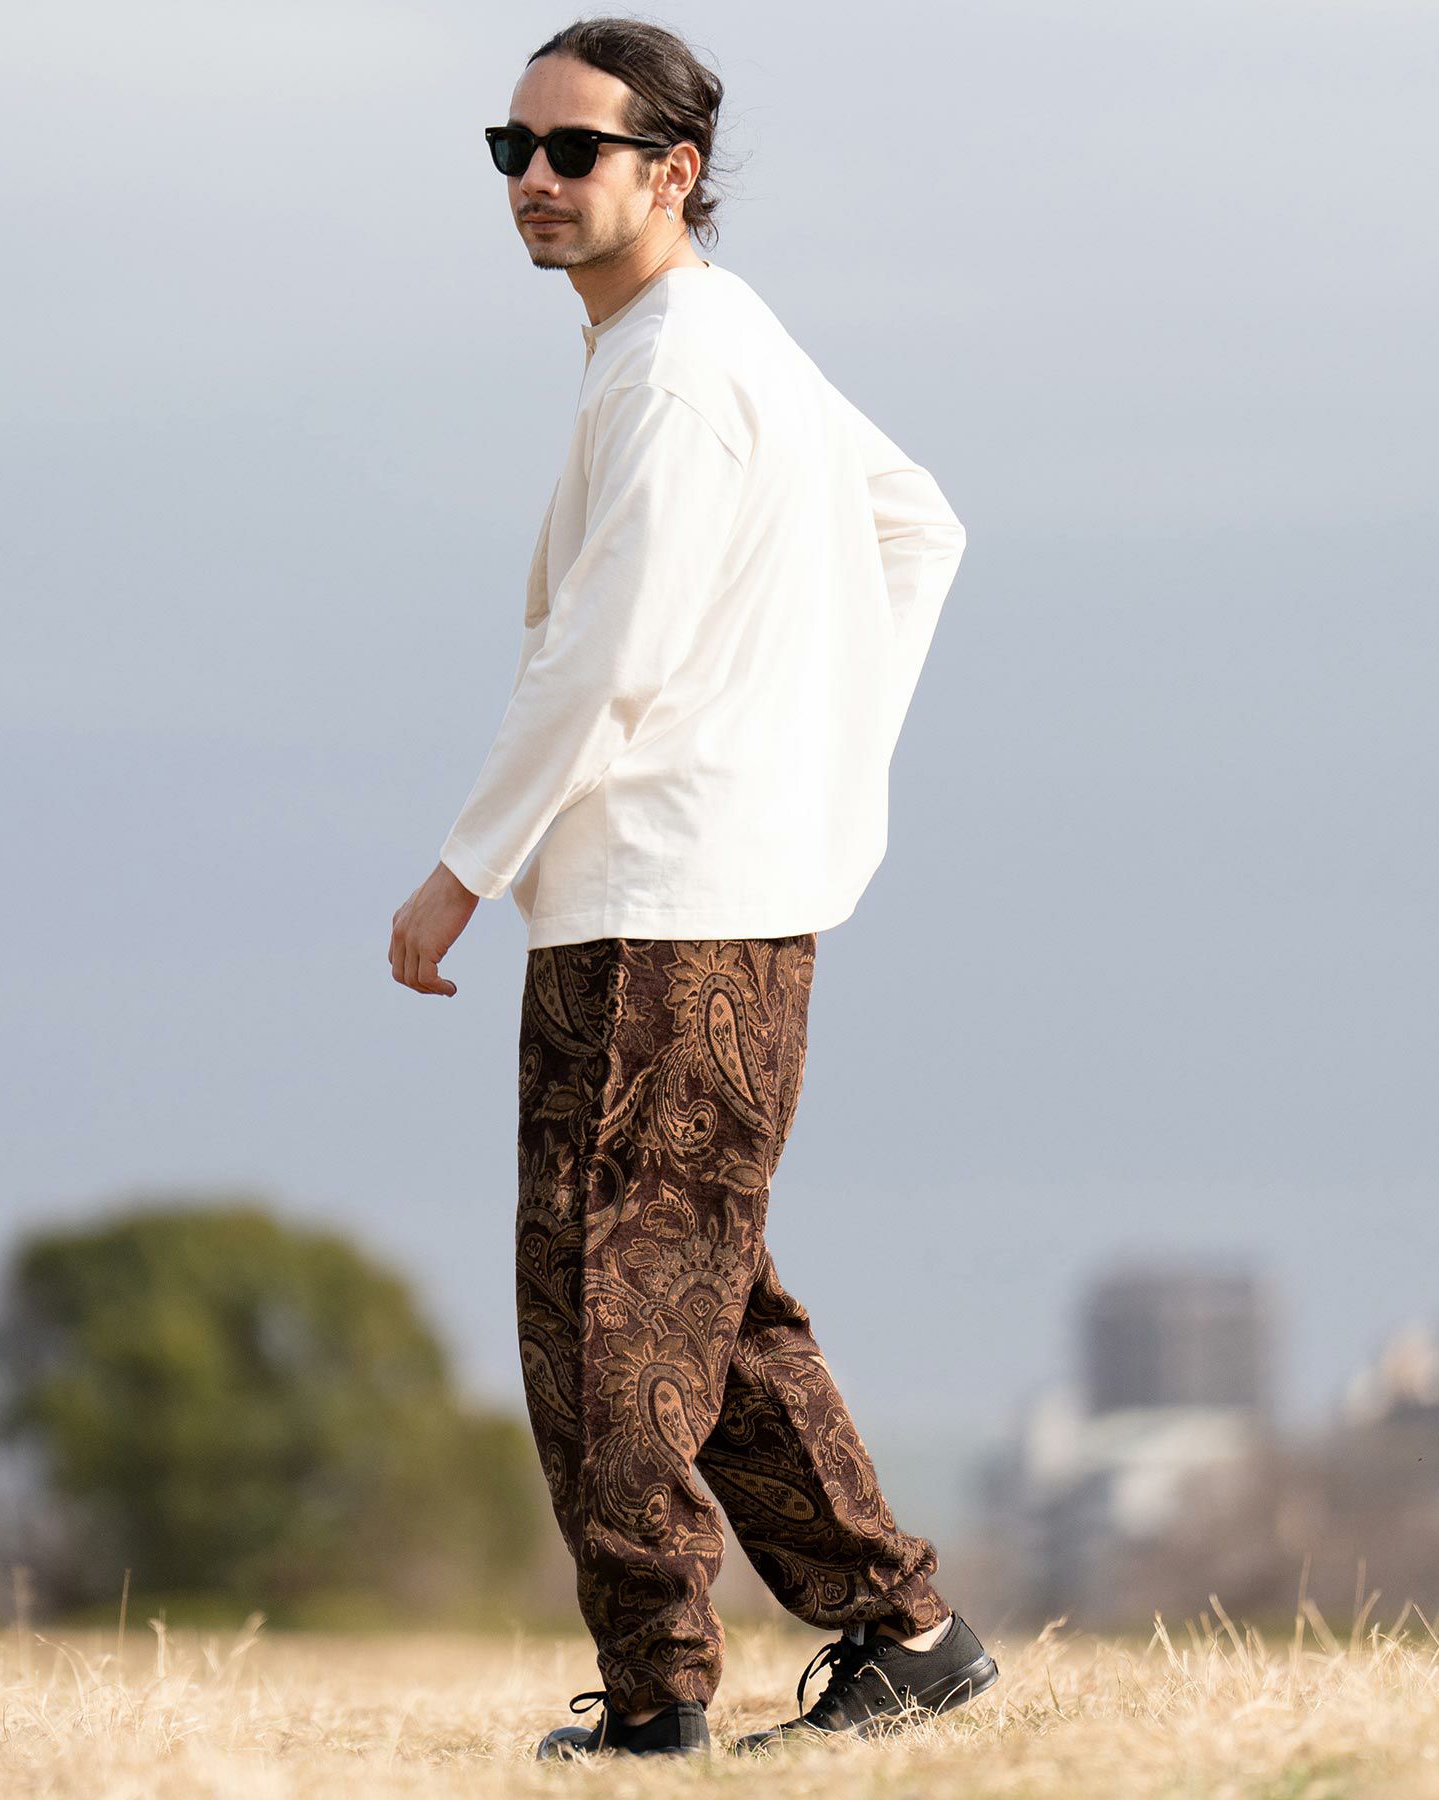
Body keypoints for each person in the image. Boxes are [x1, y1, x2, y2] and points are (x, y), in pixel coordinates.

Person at [388, 15, 997, 1761]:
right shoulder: (715, 340)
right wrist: (805, 747)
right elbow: (919, 526)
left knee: (602, 1302)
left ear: (675, 171)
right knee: (696, 1291)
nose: (536, 179)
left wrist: (461, 870)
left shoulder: (672, 367)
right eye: (512, 149)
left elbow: (610, 649)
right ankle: (906, 1635)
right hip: (706, 883)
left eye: (573, 149)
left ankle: (660, 1704)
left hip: (659, 897)